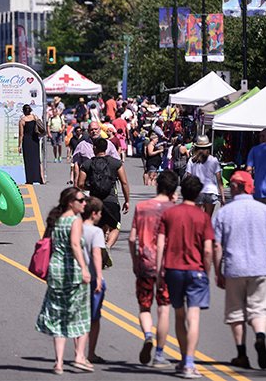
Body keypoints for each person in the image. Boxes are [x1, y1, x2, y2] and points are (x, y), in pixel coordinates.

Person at [212, 171, 266, 370]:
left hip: (235, 268)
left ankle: (241, 353)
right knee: (259, 309)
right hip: (261, 268)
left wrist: (218, 271)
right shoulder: (264, 211)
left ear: (234, 187)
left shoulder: (224, 213)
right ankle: (260, 336)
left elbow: (217, 246)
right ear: (250, 187)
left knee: (236, 312)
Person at [156, 175, 214, 379]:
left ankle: (183, 359)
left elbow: (161, 243)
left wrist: (159, 270)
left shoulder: (170, 214)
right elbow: (208, 250)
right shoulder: (203, 217)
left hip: (173, 268)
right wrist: (206, 272)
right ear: (198, 194)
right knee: (194, 316)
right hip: (196, 269)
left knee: (179, 315)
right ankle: (189, 362)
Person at [36, 187, 94, 375]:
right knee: (81, 314)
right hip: (72, 271)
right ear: (71, 202)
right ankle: (79, 356)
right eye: (81, 200)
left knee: (58, 314)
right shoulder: (75, 220)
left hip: (56, 270)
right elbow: (75, 245)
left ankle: (59, 362)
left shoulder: (57, 220)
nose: (84, 203)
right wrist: (84, 268)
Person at [128, 170, 177, 368]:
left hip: (144, 263)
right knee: (164, 309)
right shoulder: (174, 210)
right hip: (167, 266)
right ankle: (159, 354)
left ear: (157, 185)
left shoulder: (141, 207)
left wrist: (134, 261)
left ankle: (148, 335)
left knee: (145, 306)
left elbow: (132, 239)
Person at [77, 137, 131, 250]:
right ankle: (108, 246)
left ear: (94, 148)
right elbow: (124, 182)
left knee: (98, 226)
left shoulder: (87, 164)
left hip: (95, 201)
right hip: (111, 200)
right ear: (106, 148)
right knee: (115, 227)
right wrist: (127, 200)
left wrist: (91, 186)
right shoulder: (116, 163)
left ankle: (99, 248)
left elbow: (80, 184)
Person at [82, 196, 107, 364]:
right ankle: (90, 352)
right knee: (94, 317)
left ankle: (78, 352)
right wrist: (99, 277)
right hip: (91, 277)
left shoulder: (75, 228)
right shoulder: (96, 232)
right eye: (100, 213)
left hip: (77, 277)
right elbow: (97, 255)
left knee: (79, 316)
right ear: (94, 214)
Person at [71, 121, 120, 185]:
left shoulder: (108, 144)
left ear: (100, 130)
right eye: (91, 130)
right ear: (88, 131)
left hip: (106, 180)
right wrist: (76, 182)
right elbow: (76, 164)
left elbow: (117, 162)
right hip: (88, 180)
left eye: (96, 129)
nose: (94, 131)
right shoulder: (82, 145)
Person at [186, 135, 224, 216]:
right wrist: (223, 197)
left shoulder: (191, 161)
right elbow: (219, 179)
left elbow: (188, 178)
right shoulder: (214, 160)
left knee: (197, 217)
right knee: (208, 218)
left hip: (197, 191)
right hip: (211, 191)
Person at [18, 104, 44, 184]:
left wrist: (19, 145)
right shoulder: (35, 117)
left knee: (28, 160)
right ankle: (40, 178)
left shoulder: (22, 120)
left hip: (27, 140)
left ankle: (30, 179)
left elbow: (21, 134)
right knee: (36, 159)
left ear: (23, 111)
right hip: (35, 139)